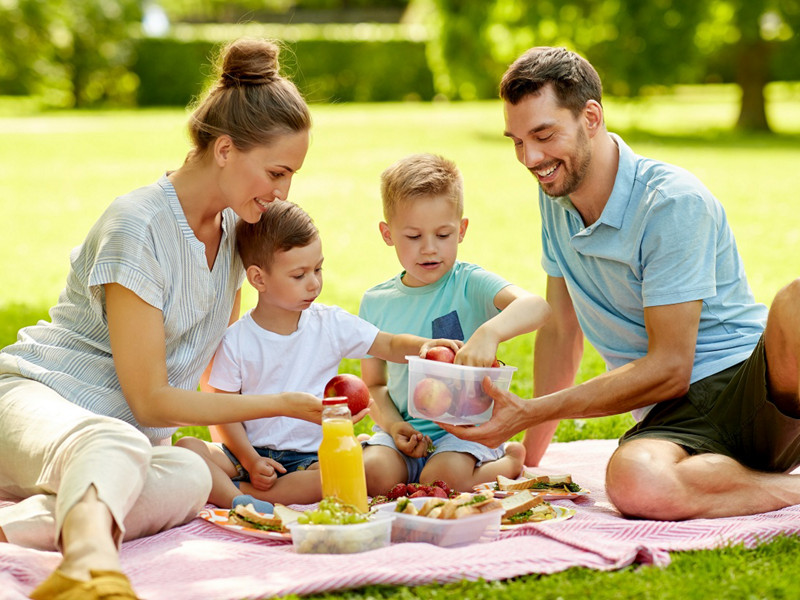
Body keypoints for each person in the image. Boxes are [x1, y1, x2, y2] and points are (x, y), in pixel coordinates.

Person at [0, 38, 323, 599]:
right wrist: (280, 405)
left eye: (290, 176)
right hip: (35, 402)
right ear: (225, 149)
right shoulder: (138, 226)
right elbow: (151, 400)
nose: (281, 193)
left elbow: (207, 375)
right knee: (121, 441)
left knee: (192, 473)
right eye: (276, 171)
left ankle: (26, 528)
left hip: (117, 446)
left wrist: (243, 451)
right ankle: (89, 566)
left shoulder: (232, 241)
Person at [440, 45, 800, 521]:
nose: (530, 157)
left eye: (544, 134)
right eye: (517, 140)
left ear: (590, 116)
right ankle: (769, 488)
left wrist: (532, 408)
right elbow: (562, 331)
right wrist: (529, 459)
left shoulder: (670, 202)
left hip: (752, 384)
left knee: (794, 302)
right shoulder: (556, 195)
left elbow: (672, 366)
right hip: (673, 422)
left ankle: (728, 475)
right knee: (634, 481)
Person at [176, 200, 460, 508]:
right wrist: (251, 459)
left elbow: (388, 344)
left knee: (338, 476)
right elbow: (225, 412)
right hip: (246, 451)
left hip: (310, 459)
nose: (314, 283)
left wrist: (422, 347)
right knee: (188, 447)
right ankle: (239, 498)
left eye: (318, 269)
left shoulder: (330, 323)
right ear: (258, 279)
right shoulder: (236, 340)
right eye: (299, 275)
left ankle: (242, 495)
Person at [359, 153, 552, 495]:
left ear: (461, 230)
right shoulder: (375, 302)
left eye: (443, 234)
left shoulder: (470, 283)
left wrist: (489, 332)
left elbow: (536, 307)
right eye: (413, 236)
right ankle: (400, 456)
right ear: (387, 234)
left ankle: (508, 461)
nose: (429, 249)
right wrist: (394, 426)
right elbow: (373, 385)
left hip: (465, 433)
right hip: (405, 433)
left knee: (442, 482)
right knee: (372, 477)